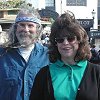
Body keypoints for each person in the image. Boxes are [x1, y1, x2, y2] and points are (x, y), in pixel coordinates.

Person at [30, 11, 100, 100]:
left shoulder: (96, 72)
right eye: (60, 40)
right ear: (55, 43)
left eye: (71, 39)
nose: (65, 43)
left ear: (79, 40)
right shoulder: (43, 74)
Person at [0, 8, 50, 100]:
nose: (26, 29)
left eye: (30, 25)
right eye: (22, 25)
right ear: (15, 28)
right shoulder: (2, 55)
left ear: (37, 30)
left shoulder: (48, 56)